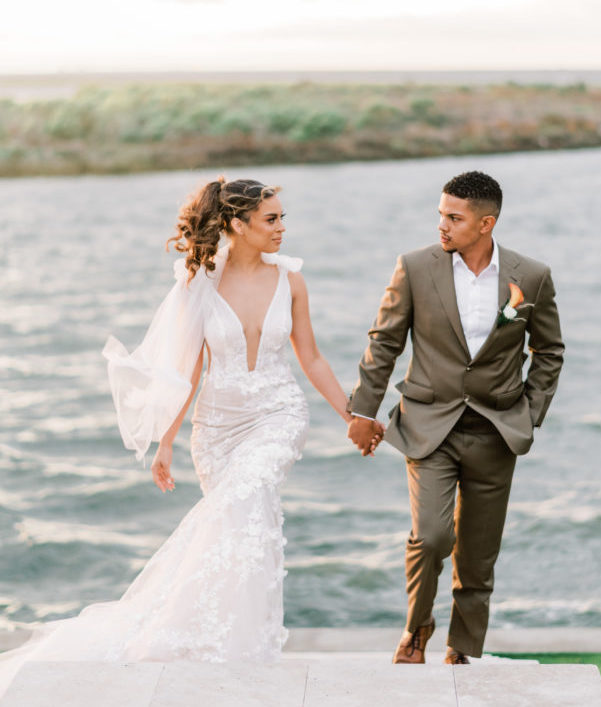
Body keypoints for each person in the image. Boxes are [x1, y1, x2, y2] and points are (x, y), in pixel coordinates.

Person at [0, 177, 382, 695]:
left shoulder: (291, 282)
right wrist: (166, 441)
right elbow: (187, 370)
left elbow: (309, 356)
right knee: (247, 530)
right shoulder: (198, 283)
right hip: (217, 429)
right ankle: (237, 645)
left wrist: (350, 415)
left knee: (246, 501)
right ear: (236, 225)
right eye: (271, 219)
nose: (281, 228)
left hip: (277, 415)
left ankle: (213, 634)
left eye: (282, 218)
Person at [347, 171, 564, 664]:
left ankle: (462, 647)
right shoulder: (415, 267)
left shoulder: (531, 276)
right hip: (429, 424)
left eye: (454, 217)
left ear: (486, 223)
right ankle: (417, 626)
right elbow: (384, 341)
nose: (441, 225)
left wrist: (530, 412)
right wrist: (363, 409)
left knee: (478, 554)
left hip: (497, 428)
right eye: (440, 214)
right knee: (432, 536)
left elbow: (549, 350)